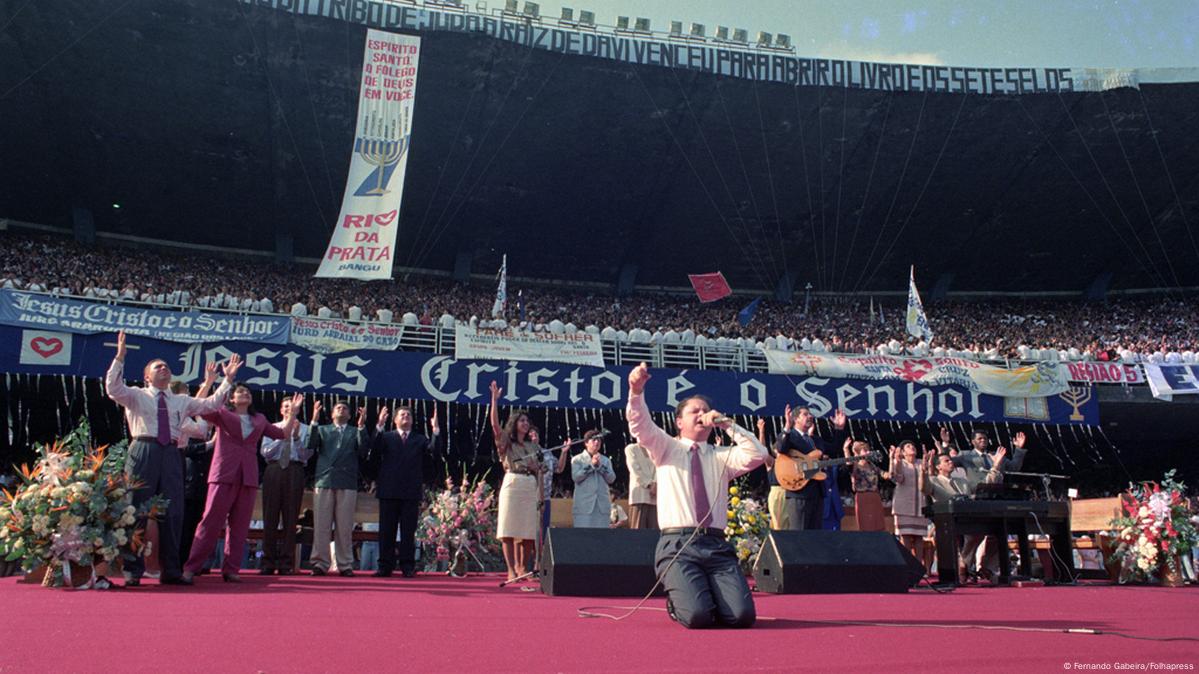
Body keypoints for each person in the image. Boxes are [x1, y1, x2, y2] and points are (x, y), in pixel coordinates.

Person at [625, 362, 767, 629]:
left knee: (742, 617)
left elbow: (758, 454)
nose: (702, 414)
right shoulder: (666, 447)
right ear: (679, 421)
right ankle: (680, 600)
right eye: (695, 411)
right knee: (697, 617)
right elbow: (639, 424)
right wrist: (635, 391)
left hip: (716, 546)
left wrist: (726, 423)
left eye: (706, 410)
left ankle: (707, 597)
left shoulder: (722, 456)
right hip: (678, 546)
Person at [104, 330, 240, 587]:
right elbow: (113, 388)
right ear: (147, 377)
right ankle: (133, 570)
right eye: (158, 366)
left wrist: (227, 381)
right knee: (136, 508)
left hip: (171, 453)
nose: (165, 368)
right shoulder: (136, 395)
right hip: (144, 449)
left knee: (173, 511)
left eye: (167, 366)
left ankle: (171, 569)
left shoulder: (180, 401)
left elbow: (210, 405)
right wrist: (120, 357)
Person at [183, 390, 303, 583]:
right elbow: (198, 408)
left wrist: (293, 414)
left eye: (248, 392)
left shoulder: (259, 419)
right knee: (210, 522)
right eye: (240, 392)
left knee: (239, 526)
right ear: (232, 398)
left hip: (248, 476)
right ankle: (191, 568)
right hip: (224, 473)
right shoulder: (222, 413)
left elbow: (283, 433)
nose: (246, 394)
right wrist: (210, 383)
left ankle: (231, 569)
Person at [367, 405, 441, 578]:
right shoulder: (386, 437)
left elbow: (434, 454)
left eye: (409, 415)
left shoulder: (420, 439)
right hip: (388, 491)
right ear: (395, 419)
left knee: (408, 531)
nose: (406, 416)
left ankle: (407, 565)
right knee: (387, 531)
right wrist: (378, 425)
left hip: (410, 492)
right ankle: (385, 566)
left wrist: (436, 431)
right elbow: (373, 450)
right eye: (402, 414)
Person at [307, 400, 370, 576]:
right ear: (332, 413)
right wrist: (314, 420)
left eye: (345, 409)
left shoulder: (354, 431)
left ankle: (345, 564)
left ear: (350, 415)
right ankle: (320, 563)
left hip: (347, 482)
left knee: (344, 526)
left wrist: (361, 427)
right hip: (324, 480)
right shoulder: (323, 429)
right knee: (321, 525)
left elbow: (364, 450)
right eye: (338, 408)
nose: (341, 410)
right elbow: (310, 445)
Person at [923, 449, 1005, 583]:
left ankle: (977, 566)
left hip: (967, 519)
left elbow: (983, 485)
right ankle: (963, 567)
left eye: (951, 460)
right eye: (947, 461)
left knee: (993, 531)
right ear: (938, 466)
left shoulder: (962, 482)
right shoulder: (934, 481)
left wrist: (995, 466)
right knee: (967, 536)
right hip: (946, 522)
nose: (951, 462)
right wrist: (923, 471)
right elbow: (924, 488)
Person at [488, 381, 541, 583]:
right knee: (509, 529)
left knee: (527, 531)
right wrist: (494, 400)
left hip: (529, 485)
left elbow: (541, 467)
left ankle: (522, 568)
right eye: (522, 421)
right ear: (515, 423)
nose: (525, 424)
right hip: (513, 483)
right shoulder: (506, 443)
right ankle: (510, 569)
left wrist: (537, 468)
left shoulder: (533, 446)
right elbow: (494, 425)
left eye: (527, 421)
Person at [259, 396, 313, 575]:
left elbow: (306, 456)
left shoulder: (306, 429)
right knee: (270, 516)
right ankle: (267, 561)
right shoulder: (272, 427)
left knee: (291, 518)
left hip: (294, 470)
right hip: (274, 470)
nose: (290, 409)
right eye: (286, 406)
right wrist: (282, 436)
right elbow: (265, 452)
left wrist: (296, 438)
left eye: (293, 406)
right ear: (282, 410)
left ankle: (286, 562)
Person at [775, 404, 847, 531]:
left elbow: (834, 449)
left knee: (815, 536)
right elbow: (781, 448)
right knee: (799, 534)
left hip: (817, 492)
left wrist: (839, 429)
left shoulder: (816, 440)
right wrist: (787, 426)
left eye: (810, 414)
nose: (810, 416)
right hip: (798, 491)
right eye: (805, 414)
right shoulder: (791, 436)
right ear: (795, 419)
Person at [889, 441, 928, 567]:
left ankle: (917, 568)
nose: (912, 447)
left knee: (919, 537)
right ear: (903, 452)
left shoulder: (921, 462)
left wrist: (928, 464)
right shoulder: (900, 463)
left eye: (913, 445)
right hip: (904, 506)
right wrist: (897, 461)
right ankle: (906, 568)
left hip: (920, 506)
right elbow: (898, 479)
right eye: (908, 446)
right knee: (905, 537)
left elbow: (929, 480)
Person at [571, 430, 616, 528]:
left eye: (599, 440)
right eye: (594, 440)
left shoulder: (605, 460)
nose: (597, 442)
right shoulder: (577, 459)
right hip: (584, 507)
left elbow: (611, 479)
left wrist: (600, 467)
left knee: (601, 539)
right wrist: (591, 465)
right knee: (583, 538)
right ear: (586, 443)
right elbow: (576, 477)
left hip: (602, 507)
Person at [533, 426, 569, 543]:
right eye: (530, 436)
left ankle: (541, 559)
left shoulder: (547, 453)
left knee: (543, 531)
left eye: (535, 435)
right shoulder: (524, 454)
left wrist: (564, 453)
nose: (533, 438)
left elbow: (559, 468)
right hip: (529, 498)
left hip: (545, 499)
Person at [844, 439, 887, 532]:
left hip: (875, 496)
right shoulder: (855, 465)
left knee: (878, 525)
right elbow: (848, 463)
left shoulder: (872, 465)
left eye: (868, 450)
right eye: (865, 450)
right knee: (866, 525)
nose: (868, 452)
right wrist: (846, 449)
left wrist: (892, 460)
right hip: (863, 497)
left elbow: (885, 475)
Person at [625, 441, 658, 529]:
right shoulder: (631, 448)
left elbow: (659, 467)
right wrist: (649, 484)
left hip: (655, 495)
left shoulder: (655, 449)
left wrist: (655, 482)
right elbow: (635, 469)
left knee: (654, 530)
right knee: (638, 530)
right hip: (639, 495)